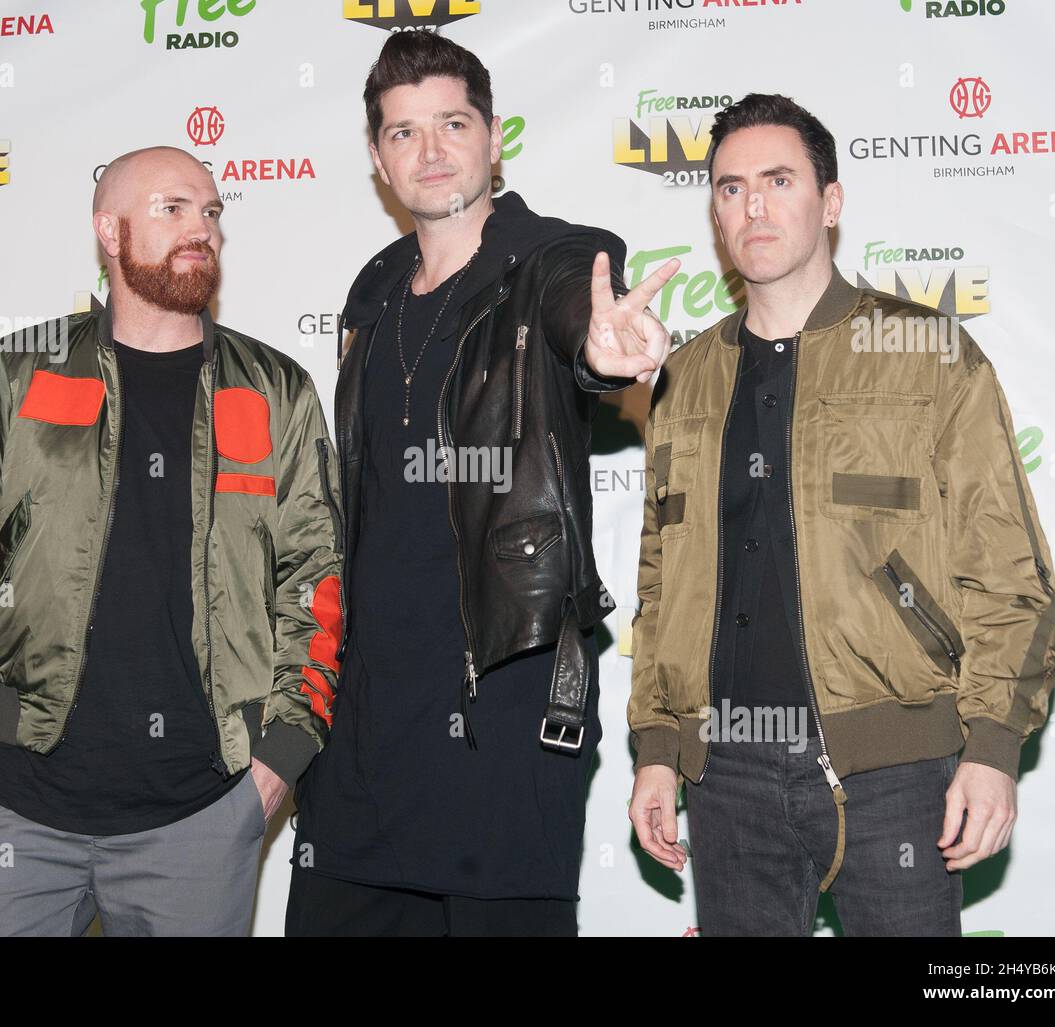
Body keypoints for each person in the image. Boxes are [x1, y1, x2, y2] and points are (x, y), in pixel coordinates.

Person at [627, 93, 1055, 936]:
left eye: (777, 180)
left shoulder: (929, 354)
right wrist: (658, 749)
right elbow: (662, 587)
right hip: (725, 779)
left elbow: (1011, 575)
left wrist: (990, 748)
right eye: (729, 188)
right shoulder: (684, 377)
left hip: (898, 775)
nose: (752, 206)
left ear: (830, 204)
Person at [0, 145, 343, 936]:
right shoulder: (17, 374)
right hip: (14, 807)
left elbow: (317, 584)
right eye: (172, 209)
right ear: (109, 230)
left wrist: (278, 760)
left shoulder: (275, 390)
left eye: (210, 212)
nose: (200, 229)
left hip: (200, 815)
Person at [284, 31, 675, 937]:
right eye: (402, 132)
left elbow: (581, 310)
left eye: (452, 123)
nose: (430, 151)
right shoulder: (374, 291)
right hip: (366, 723)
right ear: (379, 160)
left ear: (494, 137)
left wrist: (601, 345)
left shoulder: (550, 257)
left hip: (502, 700)